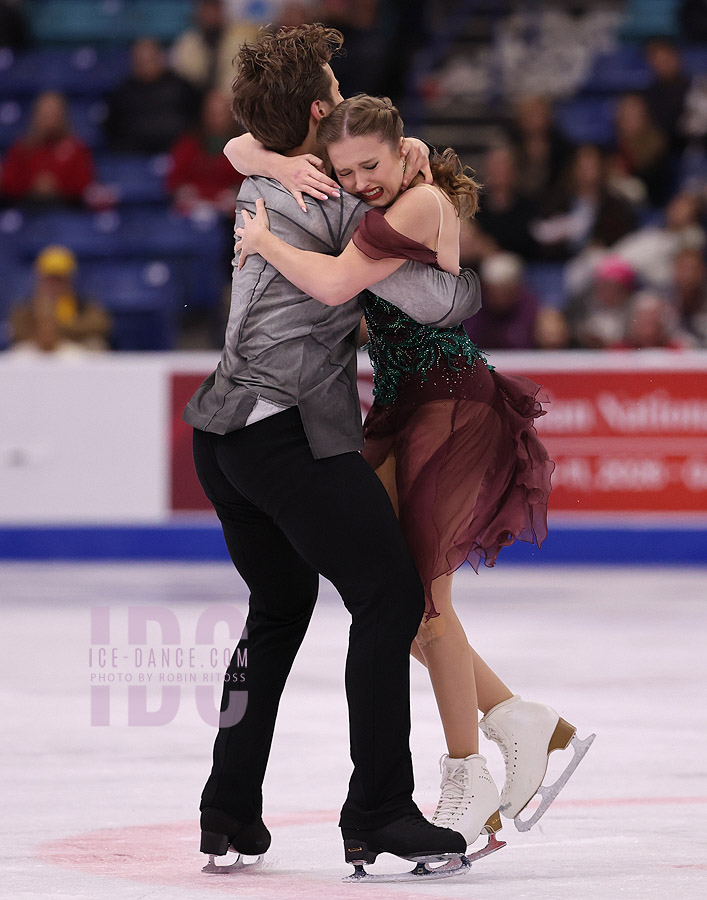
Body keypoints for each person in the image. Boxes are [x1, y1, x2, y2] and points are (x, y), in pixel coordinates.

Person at [235, 93, 592, 847]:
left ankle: (469, 776)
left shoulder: (419, 201)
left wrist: (263, 241)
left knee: (423, 596)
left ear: (400, 153)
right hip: (401, 400)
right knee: (385, 593)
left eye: (371, 165)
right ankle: (513, 717)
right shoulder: (402, 180)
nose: (359, 179)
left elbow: (334, 284)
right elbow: (237, 148)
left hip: (447, 405)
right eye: (346, 170)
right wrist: (270, 161)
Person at [184, 24, 481, 879]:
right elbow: (439, 305)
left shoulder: (261, 173)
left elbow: (240, 141)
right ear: (320, 111)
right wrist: (428, 211)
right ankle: (379, 810)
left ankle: (227, 808)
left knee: (278, 609)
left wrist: (266, 160)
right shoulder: (349, 204)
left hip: (219, 434)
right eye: (334, 85)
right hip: (281, 433)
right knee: (388, 597)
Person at [105, 38, 201, 154]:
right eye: (141, 61)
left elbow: (196, 120)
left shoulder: (181, 87)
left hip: (175, 151)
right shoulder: (124, 91)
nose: (147, 66)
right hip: (134, 153)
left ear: (161, 58)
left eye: (150, 59)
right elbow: (112, 125)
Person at [9, 245, 111, 354]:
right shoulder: (27, 306)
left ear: (70, 279)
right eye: (50, 279)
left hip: (74, 349)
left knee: (95, 345)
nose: (54, 285)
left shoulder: (83, 304)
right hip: (37, 350)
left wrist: (59, 327)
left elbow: (100, 325)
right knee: (19, 352)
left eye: (59, 279)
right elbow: (17, 330)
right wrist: (42, 332)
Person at [0, 91, 95, 207]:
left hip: (66, 210)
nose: (49, 119)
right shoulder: (22, 148)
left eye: (54, 114)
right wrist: (33, 185)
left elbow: (85, 185)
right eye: (45, 114)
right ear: (36, 115)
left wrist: (58, 186)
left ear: (63, 116)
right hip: (27, 209)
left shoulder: (76, 148)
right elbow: (9, 185)